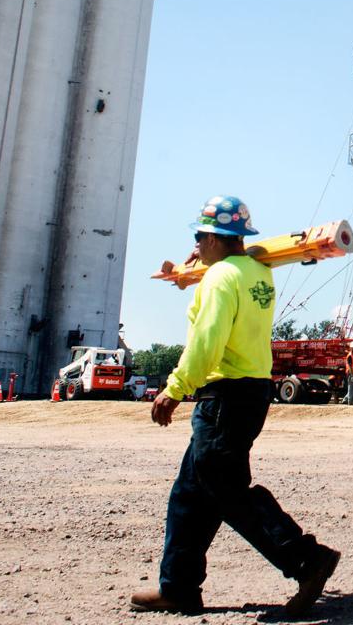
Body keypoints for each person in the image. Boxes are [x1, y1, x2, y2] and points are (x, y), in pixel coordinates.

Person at [131, 195, 340, 616]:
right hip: (251, 391)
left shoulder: (221, 278)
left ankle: (305, 559)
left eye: (198, 236)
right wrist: (201, 264)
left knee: (228, 492)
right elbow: (229, 275)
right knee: (190, 494)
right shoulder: (257, 271)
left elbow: (207, 339)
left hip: (224, 397)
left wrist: (175, 388)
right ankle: (179, 586)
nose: (195, 243)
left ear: (210, 237)